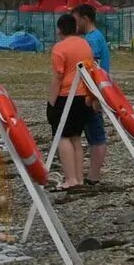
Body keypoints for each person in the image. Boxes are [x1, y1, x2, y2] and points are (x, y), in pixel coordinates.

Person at [47, 12, 96, 191]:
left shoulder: (59, 48)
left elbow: (58, 77)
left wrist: (51, 102)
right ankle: (79, 178)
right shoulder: (85, 44)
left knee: (62, 137)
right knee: (76, 137)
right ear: (75, 27)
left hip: (66, 96)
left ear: (60, 29)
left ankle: (70, 178)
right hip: (84, 96)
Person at [74, 2, 111, 183]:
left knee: (96, 134)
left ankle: (93, 176)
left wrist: (93, 96)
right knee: (91, 132)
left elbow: (92, 69)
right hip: (93, 91)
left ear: (85, 19)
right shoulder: (96, 37)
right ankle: (90, 174)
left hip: (93, 91)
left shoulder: (92, 39)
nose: (75, 25)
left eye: (76, 20)